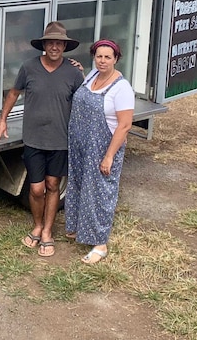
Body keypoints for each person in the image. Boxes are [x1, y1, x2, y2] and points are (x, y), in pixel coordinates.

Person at [0, 21, 84, 258]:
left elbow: (85, 99)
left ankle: (47, 231)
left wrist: (84, 74)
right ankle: (37, 224)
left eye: (59, 43)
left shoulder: (73, 72)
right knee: (36, 187)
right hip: (34, 138)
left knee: (53, 185)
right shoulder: (29, 67)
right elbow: (13, 93)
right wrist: (2, 120)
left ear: (64, 46)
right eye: (50, 43)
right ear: (44, 45)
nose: (54, 47)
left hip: (60, 140)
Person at [64, 39, 135, 264]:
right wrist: (81, 71)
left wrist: (109, 156)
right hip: (81, 144)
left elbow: (124, 125)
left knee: (100, 193)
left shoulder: (121, 88)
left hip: (102, 148)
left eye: (107, 57)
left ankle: (100, 244)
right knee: (78, 185)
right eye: (99, 56)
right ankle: (79, 228)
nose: (102, 61)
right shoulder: (93, 76)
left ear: (116, 59)